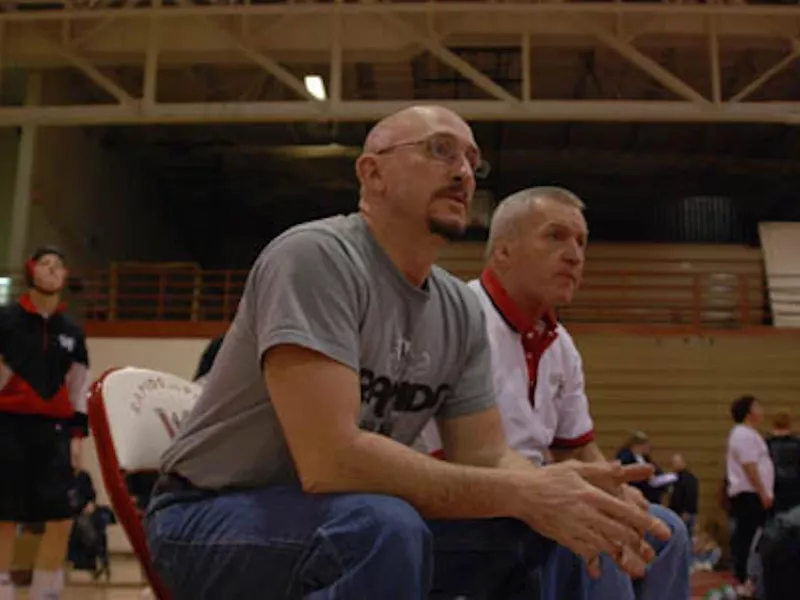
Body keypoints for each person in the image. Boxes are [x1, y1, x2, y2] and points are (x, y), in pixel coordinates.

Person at [144, 106, 669, 600]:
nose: (464, 172)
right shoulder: (315, 257)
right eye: (441, 150)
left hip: (342, 513)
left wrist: (557, 494)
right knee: (382, 527)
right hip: (208, 517)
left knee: (551, 527)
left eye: (471, 160)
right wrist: (523, 492)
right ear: (373, 174)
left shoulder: (458, 308)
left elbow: (485, 454)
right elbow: (331, 461)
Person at [416, 187, 690, 600]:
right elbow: (455, 461)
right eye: (555, 236)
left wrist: (617, 491)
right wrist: (563, 496)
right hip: (463, 504)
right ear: (503, 251)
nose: (575, 255)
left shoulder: (560, 343)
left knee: (667, 532)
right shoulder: (459, 316)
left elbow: (578, 451)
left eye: (581, 242)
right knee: (583, 529)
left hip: (535, 496)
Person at [0, 245, 90, 600]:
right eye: (45, 263)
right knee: (5, 513)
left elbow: (79, 386)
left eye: (59, 265)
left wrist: (78, 438)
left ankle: (46, 587)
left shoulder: (72, 332)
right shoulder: (6, 320)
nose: (53, 269)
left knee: (61, 516)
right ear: (31, 271)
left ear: (65, 277)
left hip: (53, 432)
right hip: (7, 426)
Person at [726, 394, 774, 594]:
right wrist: (763, 492)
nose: (761, 411)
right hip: (749, 495)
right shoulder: (742, 434)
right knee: (748, 539)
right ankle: (745, 580)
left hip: (752, 495)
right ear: (748, 412)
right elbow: (749, 466)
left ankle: (749, 578)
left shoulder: (749, 433)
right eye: (757, 407)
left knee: (752, 538)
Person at [766, 411, 800, 515]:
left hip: (774, 486)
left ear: (773, 425)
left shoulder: (766, 444)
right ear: (789, 425)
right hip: (795, 487)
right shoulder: (797, 444)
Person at [668, 453, 699, 538]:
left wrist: (687, 511)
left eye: (676, 462)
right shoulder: (674, 478)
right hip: (676, 512)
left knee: (684, 536)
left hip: (685, 513)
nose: (674, 465)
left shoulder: (689, 478)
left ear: (683, 463)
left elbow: (691, 495)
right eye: (673, 463)